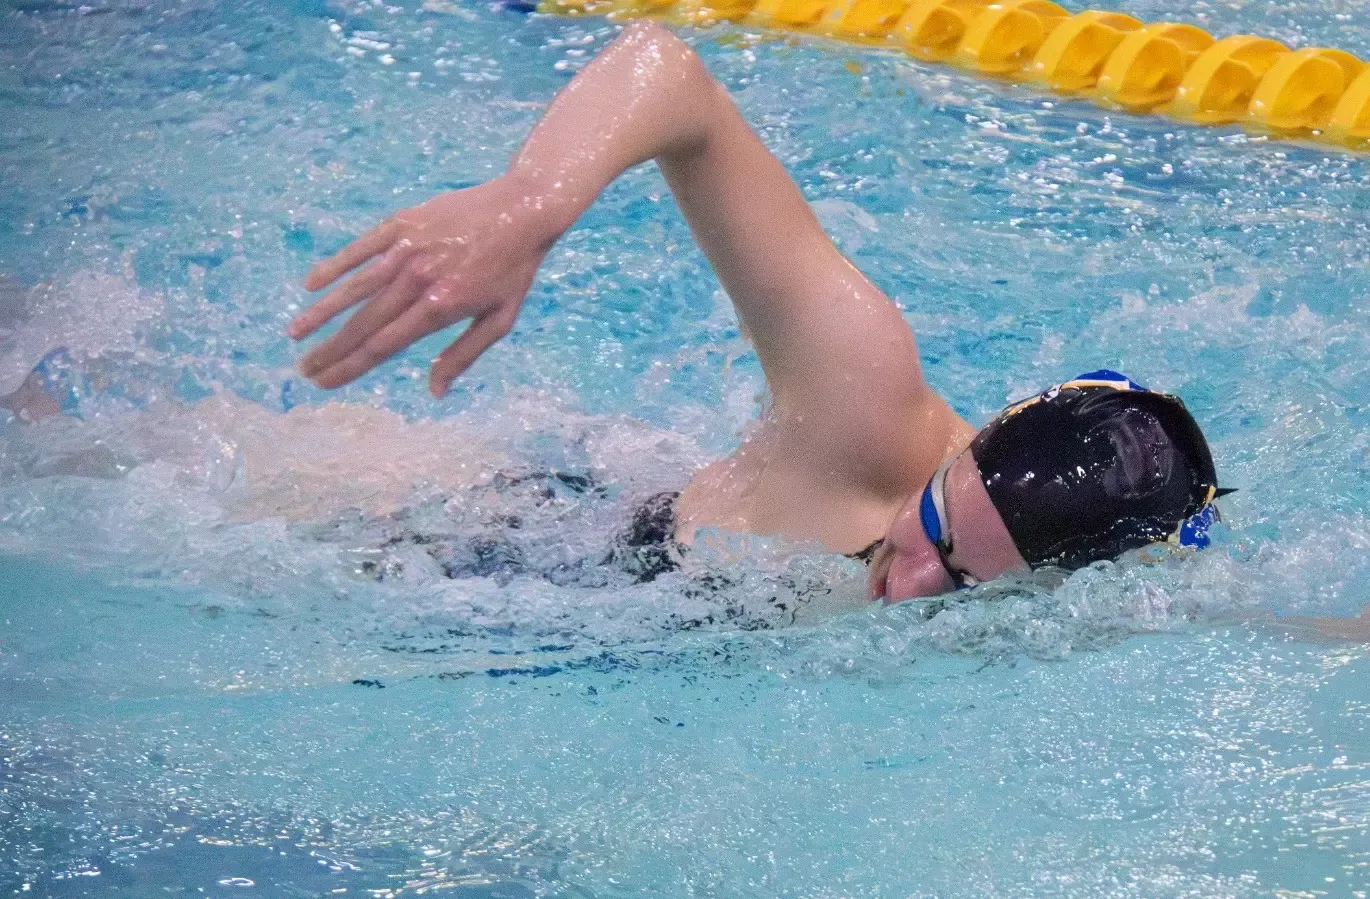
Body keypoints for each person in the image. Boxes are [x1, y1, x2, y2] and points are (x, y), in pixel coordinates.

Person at [287, 21, 1225, 603]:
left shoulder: (1093, 600)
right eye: (933, 527)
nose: (907, 584)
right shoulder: (864, 408)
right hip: (493, 542)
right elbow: (669, 76)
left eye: (967, 585)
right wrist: (532, 202)